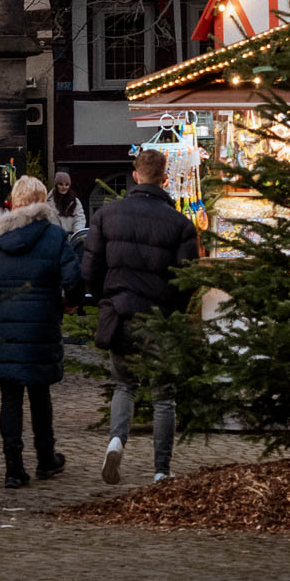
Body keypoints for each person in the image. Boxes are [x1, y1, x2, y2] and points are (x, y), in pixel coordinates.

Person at [81, 148, 199, 486]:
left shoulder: (106, 215)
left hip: (120, 311)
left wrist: (108, 296)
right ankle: (161, 470)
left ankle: (116, 440)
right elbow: (186, 278)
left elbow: (90, 267)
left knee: (125, 383)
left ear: (135, 175)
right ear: (165, 178)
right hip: (158, 316)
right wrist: (172, 309)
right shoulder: (180, 224)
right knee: (164, 395)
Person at [0, 174, 84, 489]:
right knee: (39, 392)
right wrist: (71, 304)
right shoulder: (54, 236)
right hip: (40, 323)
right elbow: (73, 278)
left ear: (14, 201)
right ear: (41, 202)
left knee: (9, 396)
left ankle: (13, 467)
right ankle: (46, 459)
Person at [47, 171, 86, 236]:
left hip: (71, 238)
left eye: (67, 184)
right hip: (54, 238)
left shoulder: (75, 201)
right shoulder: (48, 202)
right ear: (56, 185)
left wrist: (77, 231)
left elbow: (80, 217)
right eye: (61, 184)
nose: (64, 187)